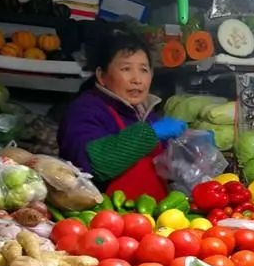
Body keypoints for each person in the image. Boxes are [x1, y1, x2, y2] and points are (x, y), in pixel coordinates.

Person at [57, 31, 187, 200]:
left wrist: (190, 149)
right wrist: (151, 134)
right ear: (102, 76)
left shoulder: (149, 116)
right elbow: (95, 164)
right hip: (101, 218)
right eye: (126, 69)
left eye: (144, 70)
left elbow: (169, 170)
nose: (137, 79)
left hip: (152, 218)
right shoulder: (84, 110)